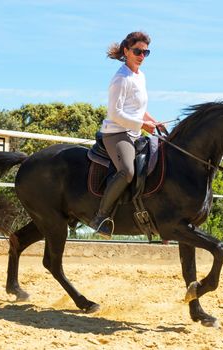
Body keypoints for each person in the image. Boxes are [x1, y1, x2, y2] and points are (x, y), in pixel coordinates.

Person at [89, 31, 161, 239]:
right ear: (126, 51)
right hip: (116, 133)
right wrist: (142, 124)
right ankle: (101, 217)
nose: (141, 56)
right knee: (127, 171)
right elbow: (115, 113)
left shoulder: (141, 76)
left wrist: (152, 121)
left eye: (146, 52)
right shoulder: (121, 78)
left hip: (135, 132)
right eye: (138, 51)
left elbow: (138, 108)